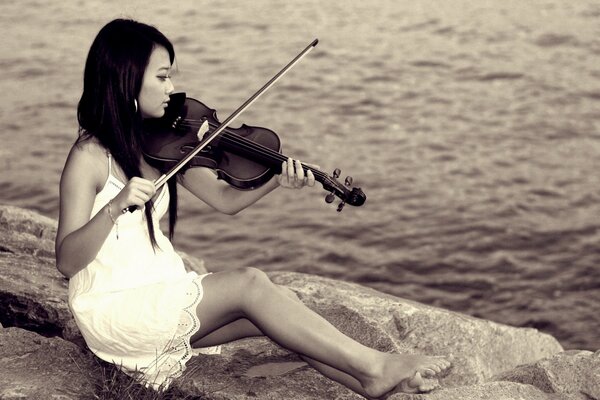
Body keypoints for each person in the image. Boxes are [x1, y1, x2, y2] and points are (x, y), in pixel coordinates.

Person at [55, 18, 450, 398]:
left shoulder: (158, 144)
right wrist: (115, 207)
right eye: (162, 76)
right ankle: (378, 365)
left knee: (281, 308)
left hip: (157, 294)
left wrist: (276, 178)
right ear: (126, 78)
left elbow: (225, 201)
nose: (171, 87)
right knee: (250, 283)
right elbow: (67, 261)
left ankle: (368, 385)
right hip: (116, 308)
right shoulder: (90, 157)